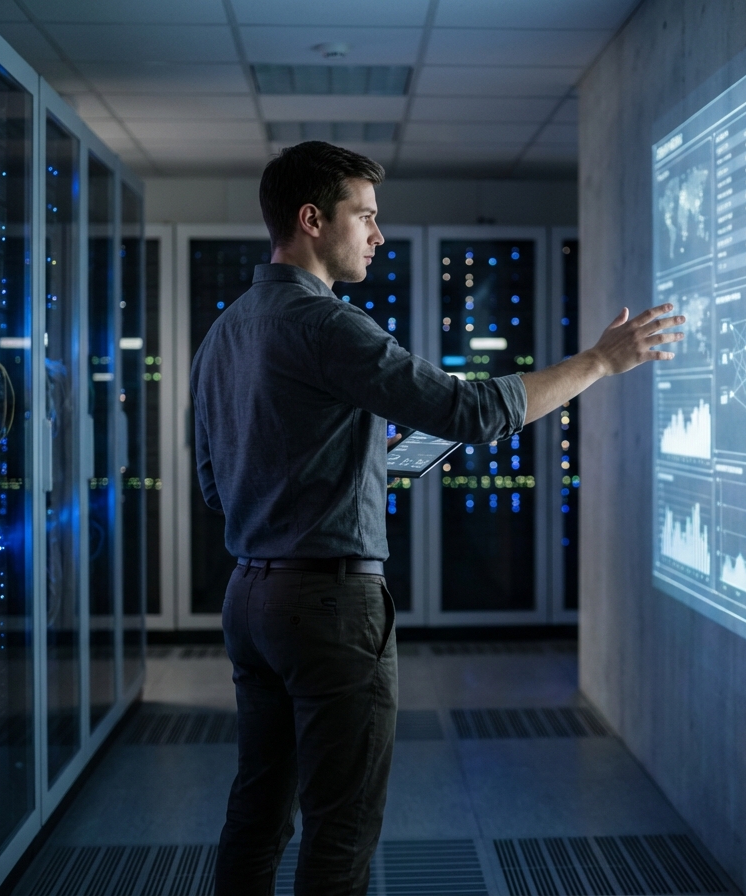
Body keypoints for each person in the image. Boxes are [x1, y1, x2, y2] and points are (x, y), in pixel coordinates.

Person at [191, 140, 685, 896]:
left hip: (250, 599)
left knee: (257, 814)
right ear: (313, 220)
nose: (378, 235)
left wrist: (352, 463)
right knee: (340, 828)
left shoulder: (225, 332)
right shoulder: (328, 325)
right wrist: (602, 362)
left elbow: (216, 485)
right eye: (367, 216)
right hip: (327, 607)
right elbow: (473, 410)